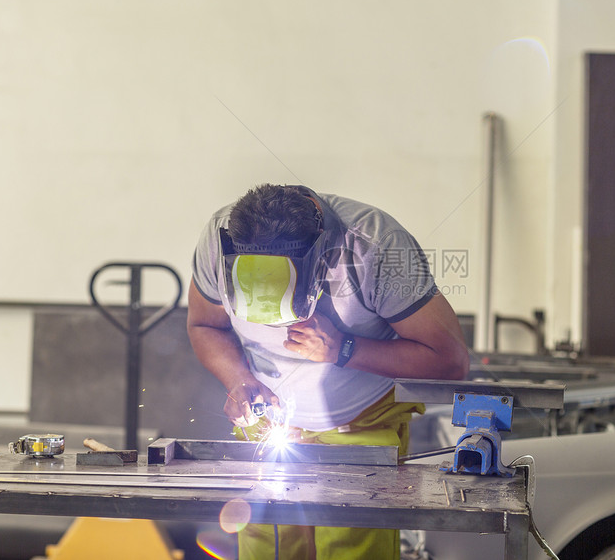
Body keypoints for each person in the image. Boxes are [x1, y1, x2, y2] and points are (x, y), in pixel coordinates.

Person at [187, 183, 469, 560]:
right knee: (266, 547)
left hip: (359, 426)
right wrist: (240, 379)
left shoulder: (375, 246)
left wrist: (343, 349)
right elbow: (205, 325)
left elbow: (450, 360)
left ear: (321, 259)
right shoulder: (218, 239)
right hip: (267, 430)